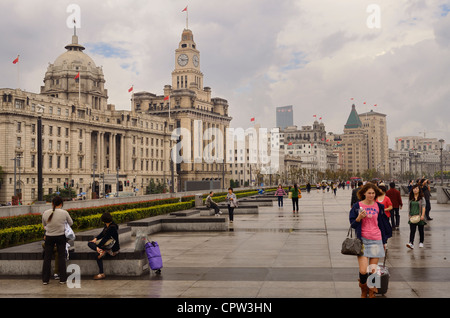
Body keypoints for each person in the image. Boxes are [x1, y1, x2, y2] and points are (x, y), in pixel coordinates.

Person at [349, 183, 392, 298]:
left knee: (373, 270)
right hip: (362, 241)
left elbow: (382, 225)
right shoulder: (357, 206)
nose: (371, 195)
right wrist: (359, 218)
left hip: (376, 239)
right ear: (364, 193)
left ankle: (371, 292)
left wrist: (384, 242)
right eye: (369, 193)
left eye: (373, 193)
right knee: (363, 270)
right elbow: (352, 224)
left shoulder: (379, 207)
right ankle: (364, 290)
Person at [42, 196, 73, 285]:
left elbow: (44, 224)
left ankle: (45, 279)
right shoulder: (64, 213)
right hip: (60, 236)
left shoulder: (45, 213)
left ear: (52, 203)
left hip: (49, 237)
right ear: (61, 204)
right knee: (61, 257)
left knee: (47, 258)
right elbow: (71, 223)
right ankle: (63, 279)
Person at [88, 212, 120, 279]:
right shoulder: (107, 225)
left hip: (112, 248)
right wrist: (96, 239)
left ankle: (101, 273)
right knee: (90, 243)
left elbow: (105, 238)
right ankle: (99, 250)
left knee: (97, 255)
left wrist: (98, 246)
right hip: (106, 246)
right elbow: (102, 234)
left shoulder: (113, 227)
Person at [406, 185, 427, 249]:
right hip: (412, 216)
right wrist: (409, 214)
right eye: (414, 188)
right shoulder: (411, 198)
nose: (415, 190)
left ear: (419, 190)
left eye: (417, 188)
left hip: (420, 216)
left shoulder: (422, 198)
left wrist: (423, 215)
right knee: (412, 230)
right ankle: (411, 243)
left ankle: (421, 242)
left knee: (421, 230)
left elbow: (423, 207)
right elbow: (409, 206)